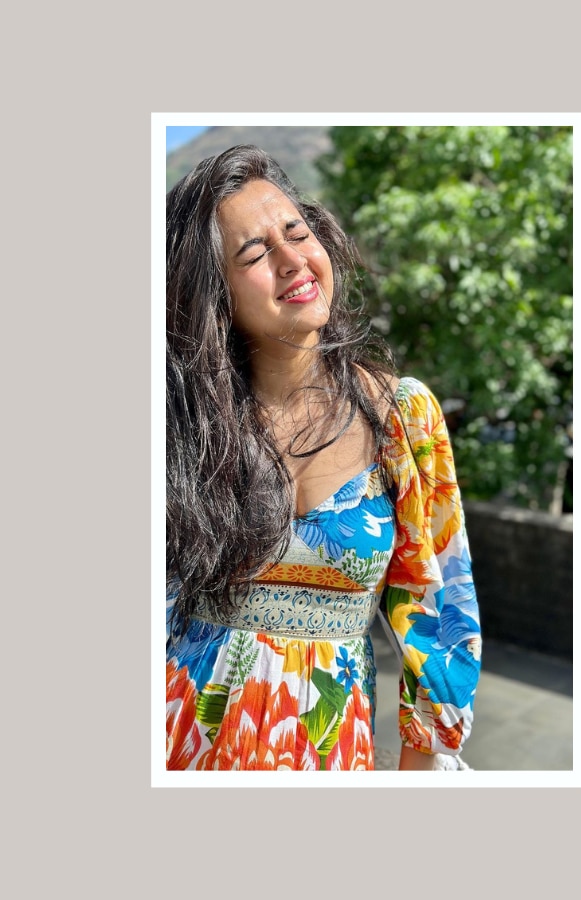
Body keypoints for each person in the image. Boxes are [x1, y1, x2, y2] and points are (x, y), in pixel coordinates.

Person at [165, 145, 481, 770]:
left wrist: (422, 763)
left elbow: (440, 615)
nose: (292, 262)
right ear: (213, 293)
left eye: (297, 234)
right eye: (254, 254)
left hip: (330, 752)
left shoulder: (401, 416)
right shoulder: (181, 424)